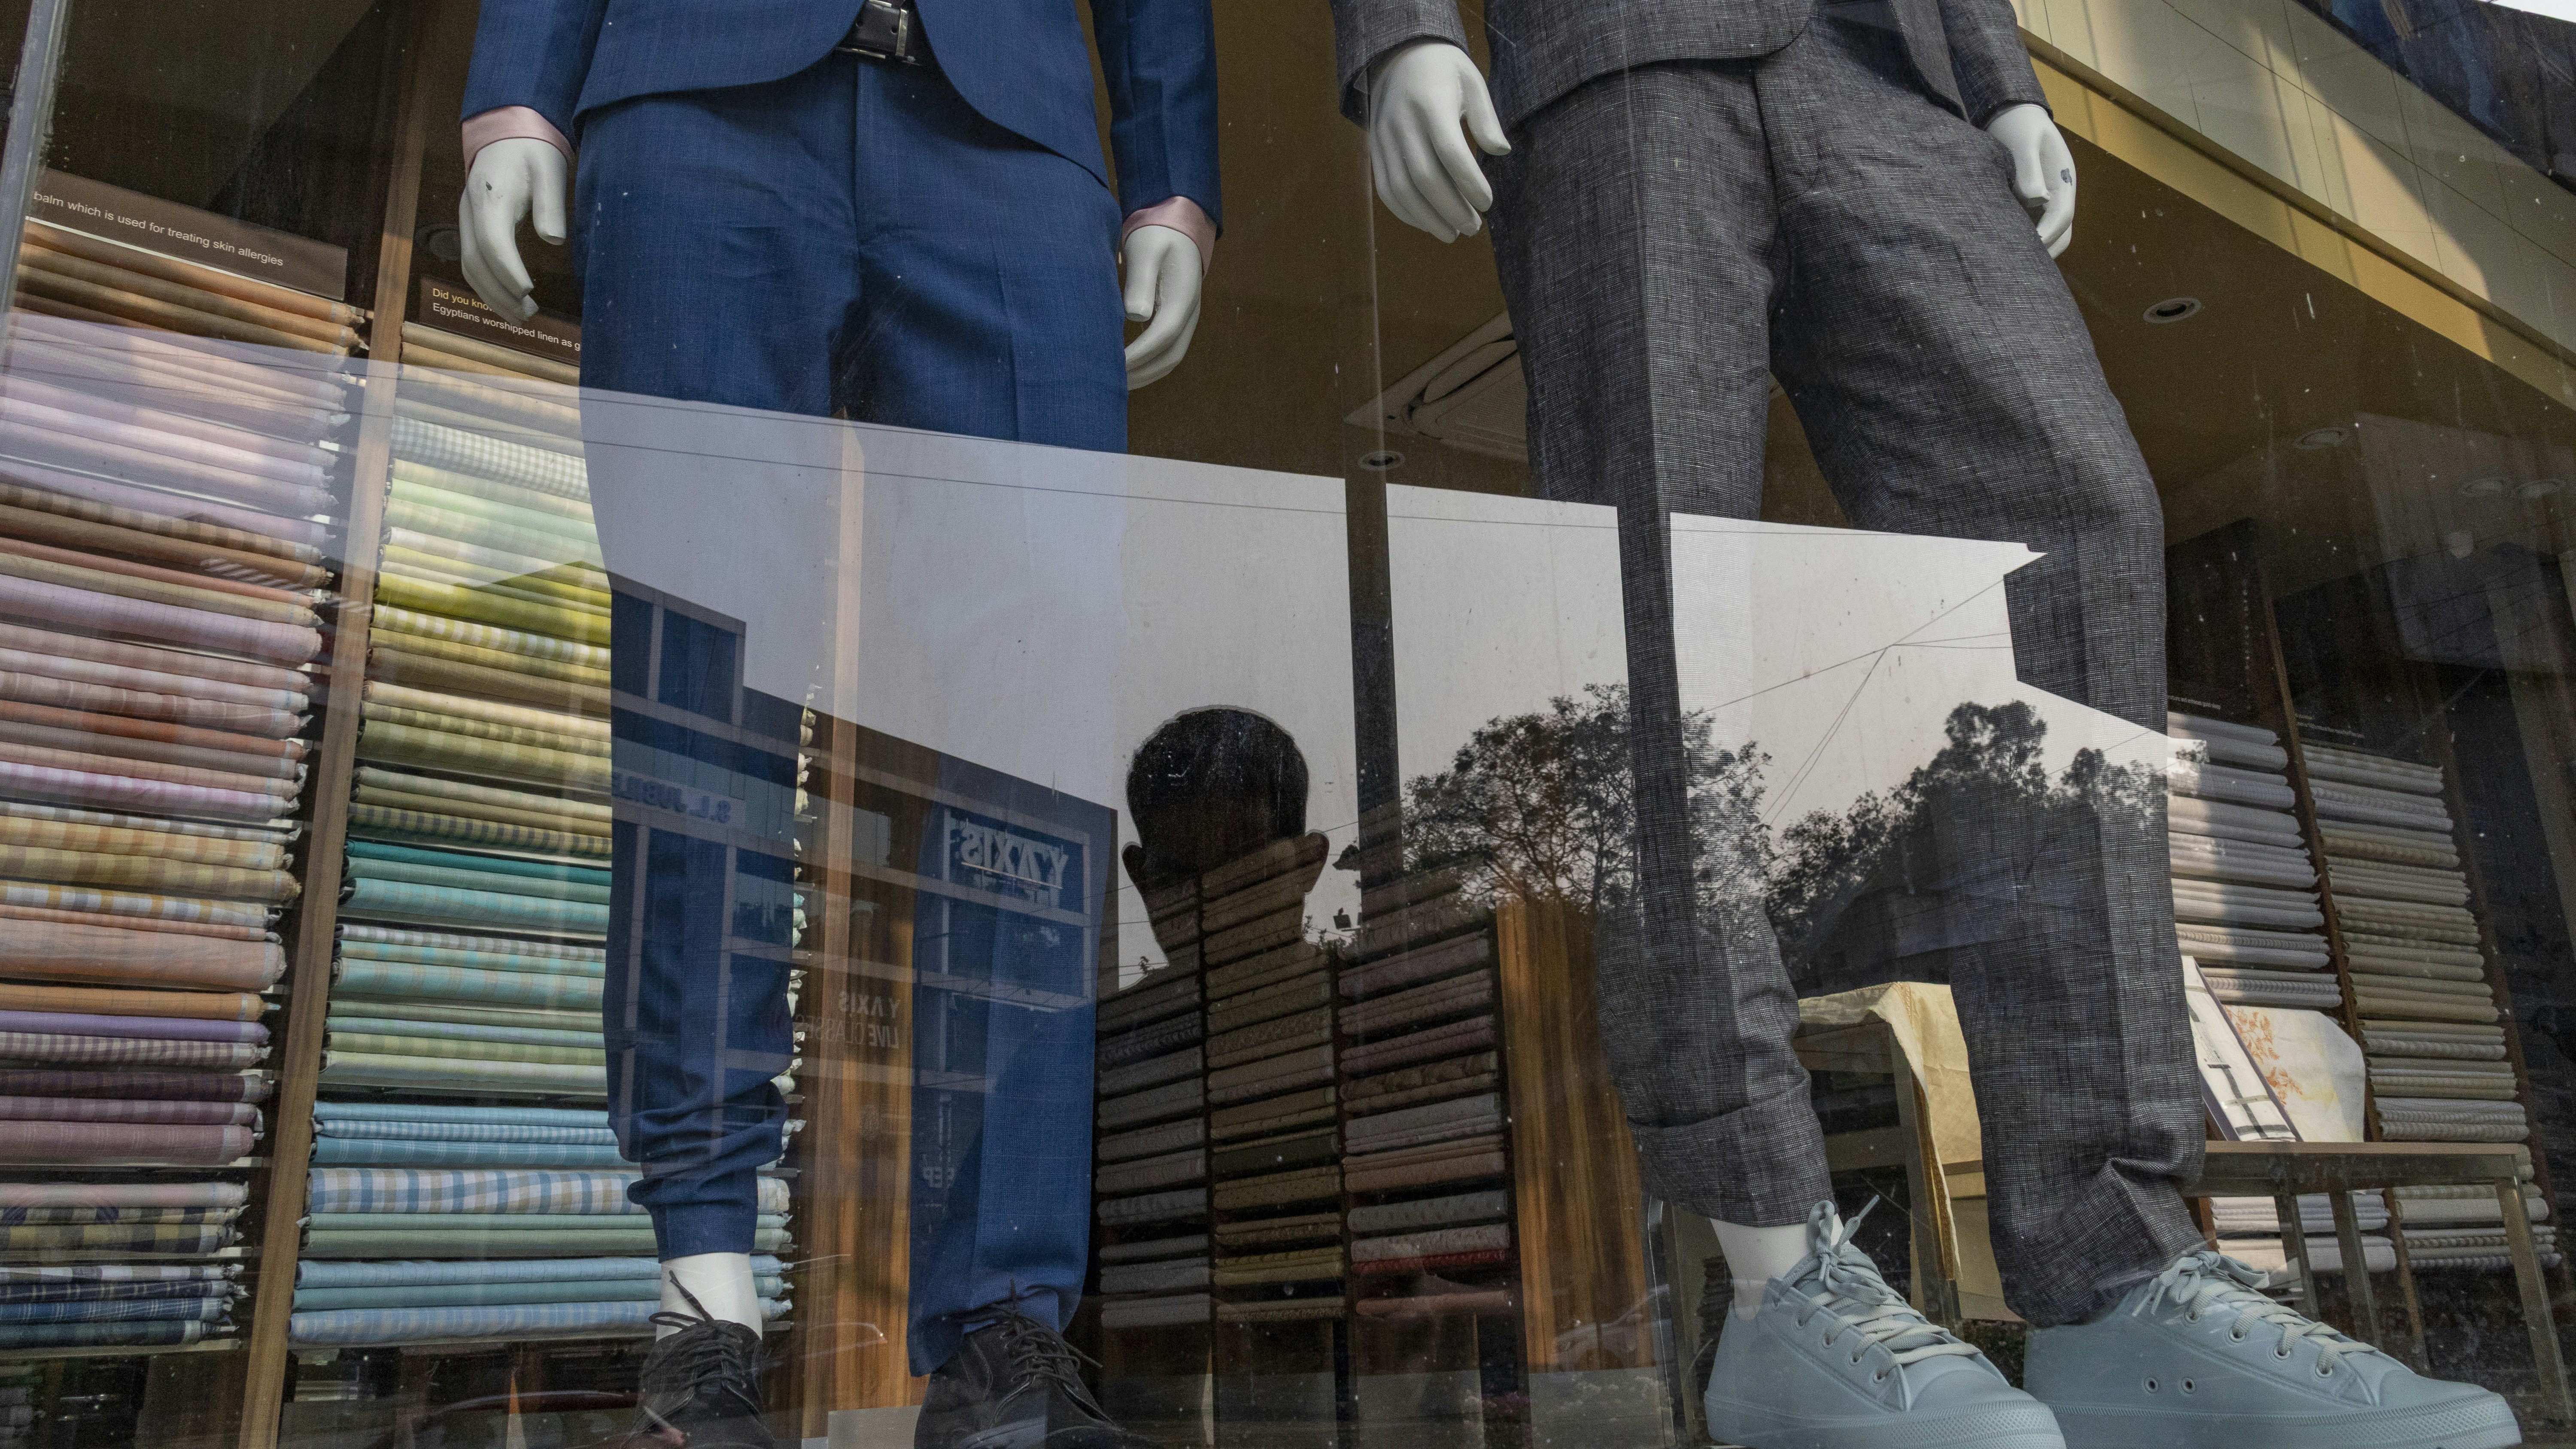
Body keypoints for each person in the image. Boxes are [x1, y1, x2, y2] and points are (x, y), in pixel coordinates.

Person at [1322, 0, 2523, 1443]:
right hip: (1613, 44)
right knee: (1660, 587)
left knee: (2072, 521)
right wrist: (1399, 27)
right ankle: (1773, 1273)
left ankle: (2114, 1274)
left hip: (1891, 70)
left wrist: (1999, 77)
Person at [453, 0, 1220, 1438]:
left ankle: (1003, 1322)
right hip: (700, 86)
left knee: (1034, 721)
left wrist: (1173, 164)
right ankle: (705, 1281)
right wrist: (519, 86)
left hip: (1011, 129)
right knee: (704, 677)